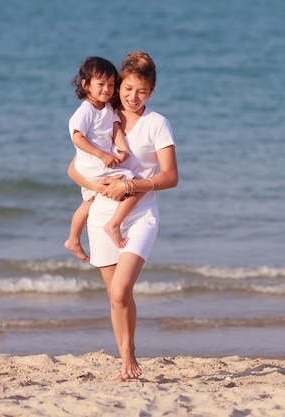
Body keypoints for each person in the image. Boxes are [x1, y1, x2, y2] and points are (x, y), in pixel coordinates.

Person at [67, 51, 178, 380]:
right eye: (127, 89)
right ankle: (126, 358)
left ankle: (129, 355)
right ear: (119, 88)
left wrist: (130, 185)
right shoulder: (103, 116)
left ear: (151, 92)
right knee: (117, 297)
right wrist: (98, 187)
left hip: (140, 214)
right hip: (101, 216)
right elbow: (73, 168)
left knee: (120, 290)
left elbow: (170, 176)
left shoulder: (156, 123)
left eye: (141, 91)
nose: (133, 97)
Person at [64, 56, 144, 261]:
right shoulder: (85, 111)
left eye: (110, 85)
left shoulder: (107, 108)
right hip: (93, 164)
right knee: (135, 184)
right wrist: (102, 155)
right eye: (100, 84)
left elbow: (116, 127)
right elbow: (77, 138)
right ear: (86, 85)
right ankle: (114, 225)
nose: (107, 89)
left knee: (88, 202)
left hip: (97, 164)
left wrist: (123, 149)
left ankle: (73, 239)